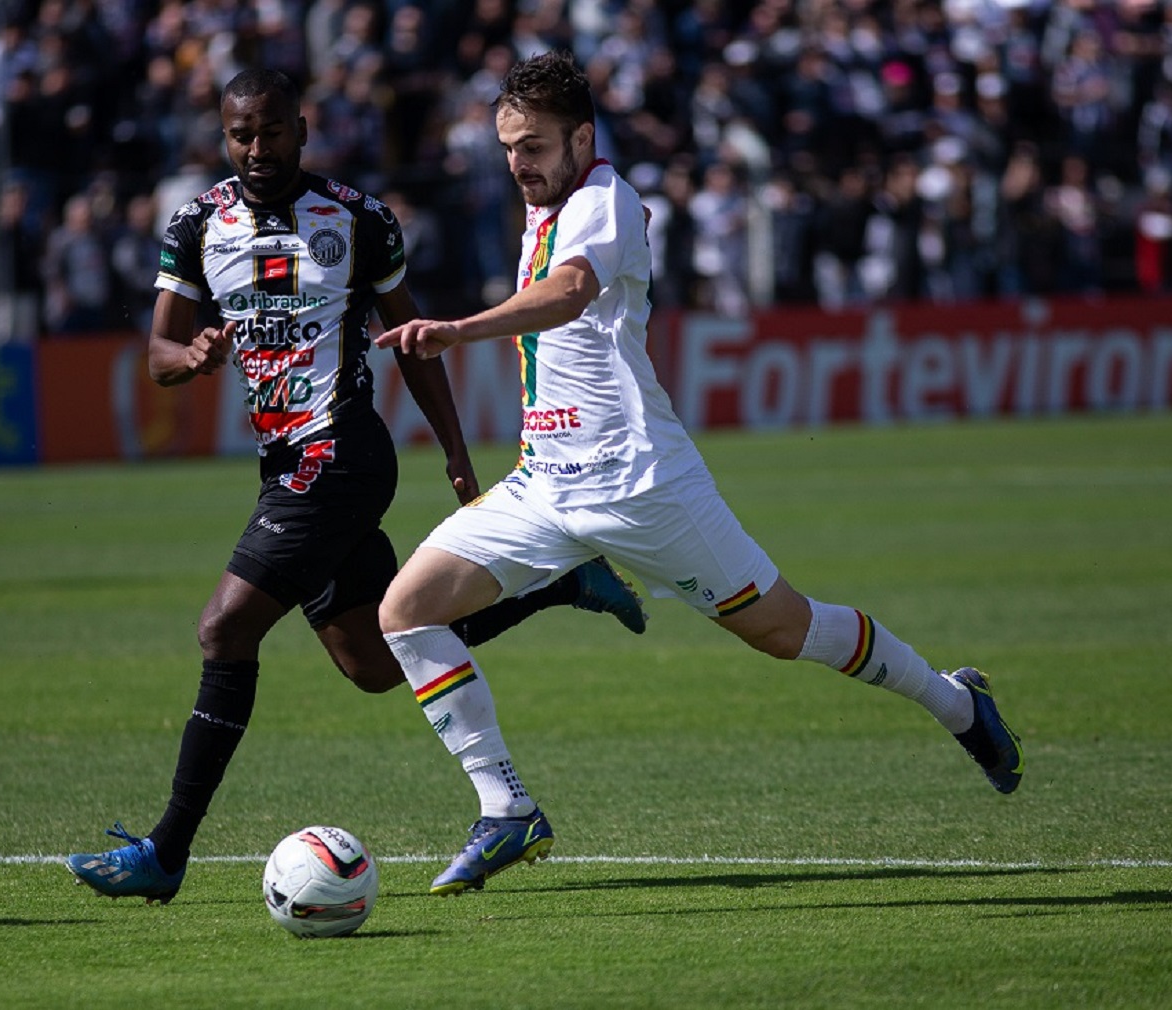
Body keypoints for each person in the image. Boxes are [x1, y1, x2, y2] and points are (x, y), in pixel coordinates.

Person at [373, 52, 1025, 897]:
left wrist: (457, 331)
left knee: (786, 632)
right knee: (404, 611)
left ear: (582, 136)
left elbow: (570, 294)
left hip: (643, 486)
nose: (517, 163)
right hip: (545, 485)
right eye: (506, 147)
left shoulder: (604, 202)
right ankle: (506, 810)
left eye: (532, 145)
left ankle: (955, 704)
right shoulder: (544, 205)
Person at [65, 68, 645, 905]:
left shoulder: (359, 218)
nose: (256, 148)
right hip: (283, 465)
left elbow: (409, 341)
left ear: (300, 128)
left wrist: (453, 453)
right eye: (240, 135)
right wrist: (188, 360)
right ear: (222, 138)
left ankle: (165, 851)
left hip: (339, 455)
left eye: (269, 131)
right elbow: (157, 352)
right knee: (374, 659)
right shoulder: (197, 223)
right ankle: (557, 585)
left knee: (223, 630)